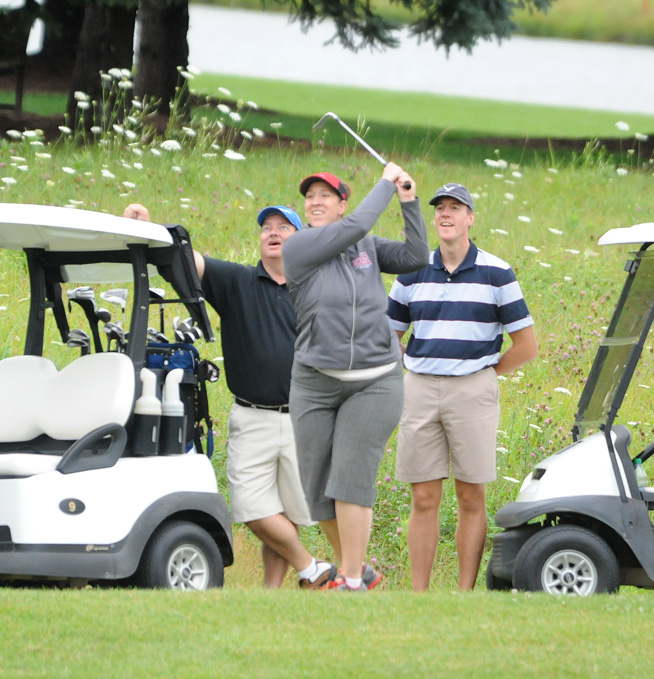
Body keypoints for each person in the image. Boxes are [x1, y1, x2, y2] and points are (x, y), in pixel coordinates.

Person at [123, 202, 336, 589]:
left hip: (303, 418)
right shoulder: (237, 280)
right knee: (253, 508)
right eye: (266, 227)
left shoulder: (316, 288)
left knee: (286, 513)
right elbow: (187, 259)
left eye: (283, 227)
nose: (273, 232)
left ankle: (269, 596)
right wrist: (151, 229)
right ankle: (311, 568)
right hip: (252, 416)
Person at [282, 165, 429, 591]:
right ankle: (358, 567)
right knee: (317, 492)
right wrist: (385, 183)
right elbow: (358, 223)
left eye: (325, 195)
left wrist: (409, 203)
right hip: (314, 379)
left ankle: (349, 581)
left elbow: (416, 256)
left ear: (341, 203)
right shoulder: (301, 246)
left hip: (375, 378)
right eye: (310, 196)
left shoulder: (362, 245)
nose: (315, 201)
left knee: (350, 478)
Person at [386, 182, 538, 591]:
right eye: (440, 209)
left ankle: (464, 594)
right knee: (423, 498)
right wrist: (414, 365)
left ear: (470, 218)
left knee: (471, 496)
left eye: (456, 208)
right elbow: (388, 334)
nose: (445, 215)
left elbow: (526, 345)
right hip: (420, 388)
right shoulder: (413, 268)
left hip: (474, 390)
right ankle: (420, 596)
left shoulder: (496, 271)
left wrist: (485, 372)